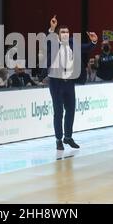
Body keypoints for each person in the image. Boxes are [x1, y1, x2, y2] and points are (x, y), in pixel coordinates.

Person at [46, 15, 98, 150]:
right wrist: (52, 27)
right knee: (58, 112)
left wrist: (93, 42)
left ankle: (68, 137)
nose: (65, 34)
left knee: (70, 110)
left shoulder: (72, 43)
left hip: (69, 83)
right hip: (56, 83)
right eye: (62, 32)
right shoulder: (53, 43)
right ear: (58, 34)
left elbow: (87, 48)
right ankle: (58, 139)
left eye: (67, 32)